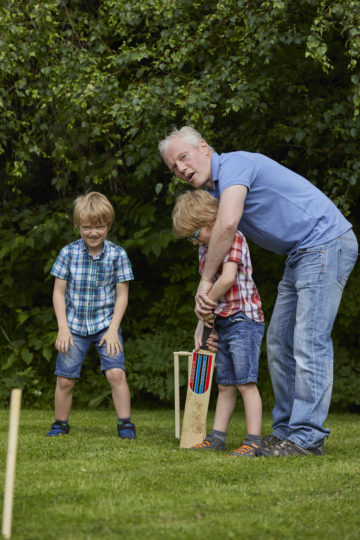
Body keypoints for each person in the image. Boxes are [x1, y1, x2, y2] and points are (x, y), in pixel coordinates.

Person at [159, 126, 358, 457]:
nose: (180, 168)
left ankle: (307, 437)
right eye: (173, 166)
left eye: (183, 157)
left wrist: (205, 283)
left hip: (325, 243)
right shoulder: (216, 195)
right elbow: (215, 228)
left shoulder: (235, 166)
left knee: (309, 341)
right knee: (279, 342)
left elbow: (226, 225)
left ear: (204, 148)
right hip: (299, 255)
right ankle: (285, 433)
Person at [172, 190, 265, 457]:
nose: (192, 241)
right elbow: (209, 290)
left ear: (211, 221)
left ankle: (253, 441)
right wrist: (202, 326)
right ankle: (217, 437)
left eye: (194, 234)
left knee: (245, 382)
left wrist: (203, 305)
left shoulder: (233, 238)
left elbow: (226, 280)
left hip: (243, 318)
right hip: (222, 320)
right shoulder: (204, 249)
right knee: (224, 384)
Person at [46, 191, 136, 439]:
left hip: (107, 324)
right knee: (65, 379)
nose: (93, 232)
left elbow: (122, 296)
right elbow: (58, 293)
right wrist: (63, 327)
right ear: (78, 226)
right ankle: (60, 424)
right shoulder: (68, 253)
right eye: (87, 227)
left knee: (116, 373)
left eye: (99, 227)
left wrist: (112, 329)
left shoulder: (118, 255)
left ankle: (125, 424)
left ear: (108, 225)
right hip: (73, 325)